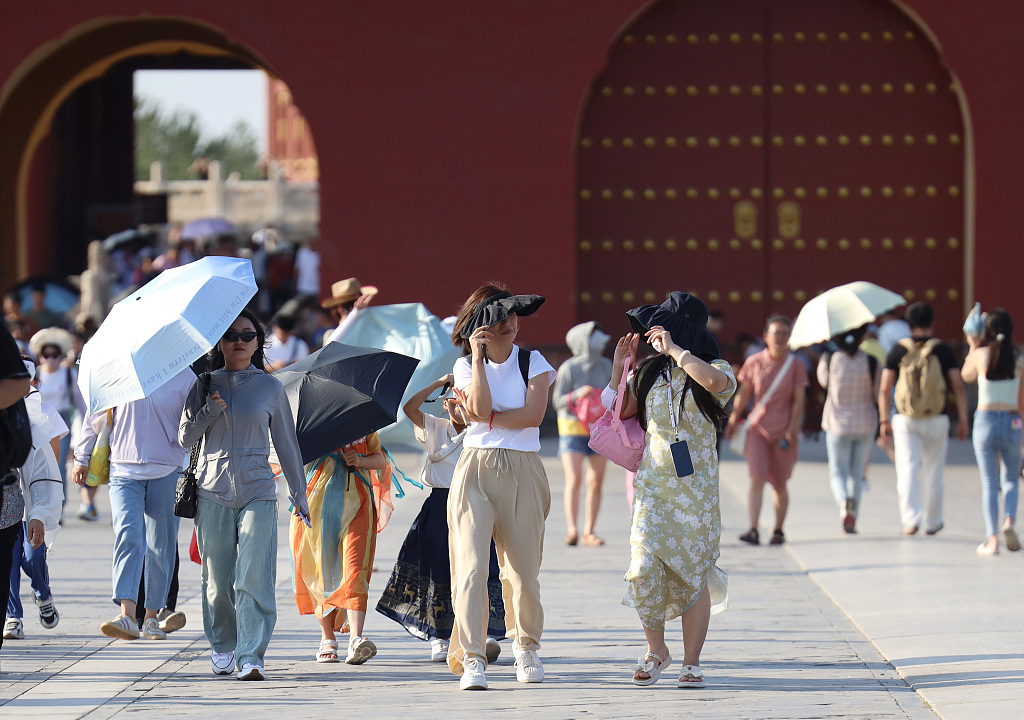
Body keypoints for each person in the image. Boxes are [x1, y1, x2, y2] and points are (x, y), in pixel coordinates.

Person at [179, 309, 310, 681]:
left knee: (254, 576)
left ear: (258, 342)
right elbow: (184, 439)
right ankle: (223, 644)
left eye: (248, 335)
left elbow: (286, 442)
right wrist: (207, 411)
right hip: (211, 489)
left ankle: (252, 654)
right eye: (231, 334)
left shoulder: (270, 387)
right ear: (220, 343)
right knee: (217, 580)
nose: (239, 340)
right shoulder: (204, 383)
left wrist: (298, 493)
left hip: (258, 489)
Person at [612, 292, 734, 688]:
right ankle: (656, 649)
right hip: (653, 487)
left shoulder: (714, 367)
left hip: (696, 491)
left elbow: (717, 384)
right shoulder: (650, 373)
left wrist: (677, 351)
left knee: (693, 574)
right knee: (643, 569)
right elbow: (621, 412)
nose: (656, 335)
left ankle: (691, 661)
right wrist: (622, 370)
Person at [447, 284, 554, 691]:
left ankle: (525, 646)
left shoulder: (534, 361)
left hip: (523, 469)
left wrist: (486, 418)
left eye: (512, 316)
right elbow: (474, 408)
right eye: (497, 318)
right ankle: (473, 656)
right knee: (472, 568)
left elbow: (533, 416)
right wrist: (476, 358)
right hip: (473, 469)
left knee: (523, 572)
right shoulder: (462, 367)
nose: (508, 324)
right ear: (479, 325)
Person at [375, 376, 505, 664]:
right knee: (438, 568)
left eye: (464, 401)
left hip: (475, 501)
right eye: (454, 401)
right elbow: (408, 408)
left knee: (482, 565)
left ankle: (487, 632)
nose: (459, 407)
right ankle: (440, 636)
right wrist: (438, 383)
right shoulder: (435, 427)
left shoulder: (481, 429)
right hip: (440, 503)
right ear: (446, 404)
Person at [73, 368, 194, 641]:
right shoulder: (116, 372)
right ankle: (127, 615)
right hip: (123, 469)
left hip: (167, 467)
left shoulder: (183, 375)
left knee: (161, 543)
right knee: (128, 535)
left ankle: (152, 618)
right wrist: (81, 456)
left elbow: (194, 421)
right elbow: (95, 414)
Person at [291, 429, 397, 666]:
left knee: (355, 567)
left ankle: (356, 638)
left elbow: (379, 458)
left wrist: (359, 460)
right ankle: (327, 638)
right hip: (317, 502)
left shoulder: (363, 419)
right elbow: (294, 458)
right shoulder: (314, 420)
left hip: (359, 501)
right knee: (322, 569)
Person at [878, 302, 968, 536]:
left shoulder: (898, 350)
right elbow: (957, 385)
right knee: (934, 471)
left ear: (908, 325)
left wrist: (883, 420)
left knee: (907, 468)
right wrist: (964, 419)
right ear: (932, 323)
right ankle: (934, 521)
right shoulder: (943, 350)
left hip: (905, 419)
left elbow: (884, 388)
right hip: (938, 418)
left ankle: (911, 519)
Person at [0, 333, 61, 671]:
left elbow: (38, 468)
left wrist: (38, 512)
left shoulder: (24, 415)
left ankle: (16, 612)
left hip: (7, 516)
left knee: (18, 564)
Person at [725, 316, 808, 546]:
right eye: (776, 333)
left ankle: (779, 530)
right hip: (757, 430)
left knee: (779, 483)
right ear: (766, 337)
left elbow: (799, 400)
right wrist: (734, 417)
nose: (780, 338)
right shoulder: (754, 361)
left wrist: (792, 430)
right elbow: (745, 391)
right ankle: (753, 528)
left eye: (784, 333)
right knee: (757, 477)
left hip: (783, 432)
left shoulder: (796, 365)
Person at [960, 308, 1022, 555]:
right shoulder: (1018, 358)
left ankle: (992, 539)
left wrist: (973, 345)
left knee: (989, 481)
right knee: (1011, 479)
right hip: (1012, 420)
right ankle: (1009, 521)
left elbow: (965, 376)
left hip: (985, 420)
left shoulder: (981, 355)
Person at [553, 322, 612, 546]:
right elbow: (556, 401)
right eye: (590, 336)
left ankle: (589, 531)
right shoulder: (569, 368)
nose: (597, 340)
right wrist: (577, 394)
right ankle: (572, 529)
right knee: (575, 478)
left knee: (595, 481)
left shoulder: (607, 365)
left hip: (600, 429)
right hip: (571, 428)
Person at [817, 327, 880, 534]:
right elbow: (877, 391)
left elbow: (823, 381)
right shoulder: (872, 362)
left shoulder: (830, 358)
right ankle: (853, 518)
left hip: (837, 424)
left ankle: (844, 503)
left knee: (837, 472)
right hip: (865, 423)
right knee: (857, 473)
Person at [29, 329, 87, 518]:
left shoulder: (69, 373)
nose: (51, 359)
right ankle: (38, 505)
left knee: (58, 465)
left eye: (55, 355)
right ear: (40, 356)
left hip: (60, 425)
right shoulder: (35, 375)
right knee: (36, 467)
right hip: (37, 425)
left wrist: (88, 427)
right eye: (47, 355)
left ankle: (58, 508)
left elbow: (80, 403)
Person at [322, 278, 377, 346]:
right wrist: (354, 315)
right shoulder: (330, 335)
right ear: (340, 309)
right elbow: (331, 345)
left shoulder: (371, 331)